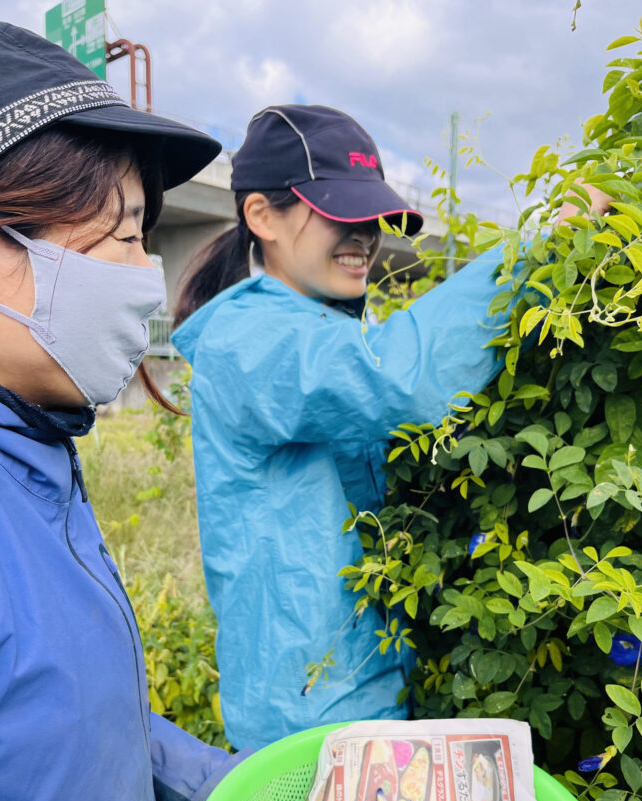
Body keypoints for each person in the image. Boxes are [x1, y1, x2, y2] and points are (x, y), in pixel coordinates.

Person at [0, 20, 247, 801]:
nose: (142, 276)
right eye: (119, 236)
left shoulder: (25, 445)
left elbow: (46, 723)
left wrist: (237, 790)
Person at [172, 104, 509, 752]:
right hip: (309, 721)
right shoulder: (252, 337)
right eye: (340, 215)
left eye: (372, 219)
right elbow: (398, 378)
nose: (365, 236)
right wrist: (538, 253)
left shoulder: (318, 329)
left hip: (362, 691)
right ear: (262, 217)